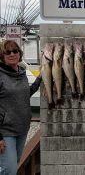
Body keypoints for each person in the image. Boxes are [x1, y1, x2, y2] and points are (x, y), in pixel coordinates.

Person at [0, 40, 41, 175]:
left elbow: (25, 94)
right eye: (8, 52)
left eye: (15, 51)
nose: (12, 54)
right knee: (9, 169)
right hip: (5, 131)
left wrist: (40, 78)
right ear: (2, 55)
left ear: (19, 54)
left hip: (22, 128)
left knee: (14, 162)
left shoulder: (22, 73)